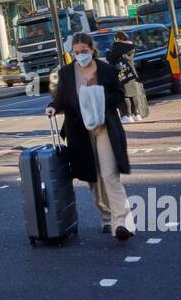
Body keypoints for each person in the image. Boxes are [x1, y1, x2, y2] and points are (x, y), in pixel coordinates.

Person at [45, 32, 134, 240]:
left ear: (92, 50)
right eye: (76, 53)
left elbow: (119, 95)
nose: (80, 56)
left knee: (109, 173)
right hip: (79, 130)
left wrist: (100, 98)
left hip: (104, 127)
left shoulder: (106, 70)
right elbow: (61, 99)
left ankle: (121, 221)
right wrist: (52, 107)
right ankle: (106, 216)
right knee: (93, 177)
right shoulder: (66, 73)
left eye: (84, 52)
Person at [105, 31, 147, 123]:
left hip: (121, 73)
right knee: (133, 93)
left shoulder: (117, 46)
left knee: (125, 95)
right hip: (131, 72)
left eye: (115, 38)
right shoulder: (131, 46)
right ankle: (136, 114)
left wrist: (107, 53)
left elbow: (111, 59)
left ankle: (127, 116)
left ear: (118, 38)